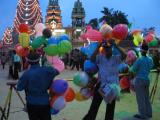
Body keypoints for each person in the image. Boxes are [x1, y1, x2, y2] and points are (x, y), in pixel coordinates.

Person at [83, 39, 126, 120]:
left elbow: (125, 55)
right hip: (101, 85)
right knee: (94, 108)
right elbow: (92, 59)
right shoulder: (100, 57)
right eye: (105, 48)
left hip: (112, 87)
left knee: (110, 109)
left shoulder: (116, 58)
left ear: (112, 48)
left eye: (109, 48)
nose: (107, 49)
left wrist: (116, 45)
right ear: (104, 49)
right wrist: (99, 46)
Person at [17, 51, 59, 120]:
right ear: (39, 59)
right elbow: (56, 71)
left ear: (28, 61)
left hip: (32, 103)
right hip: (44, 102)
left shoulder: (26, 74)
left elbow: (19, 87)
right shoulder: (47, 70)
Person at [130, 42, 153, 119]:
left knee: (140, 98)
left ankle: (142, 115)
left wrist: (131, 65)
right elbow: (151, 67)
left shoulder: (139, 59)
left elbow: (132, 69)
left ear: (141, 50)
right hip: (147, 80)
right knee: (146, 97)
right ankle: (149, 113)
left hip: (139, 80)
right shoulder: (150, 59)